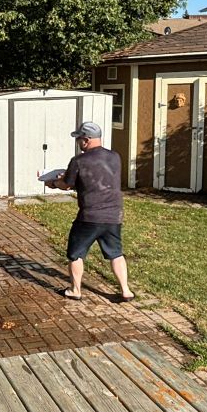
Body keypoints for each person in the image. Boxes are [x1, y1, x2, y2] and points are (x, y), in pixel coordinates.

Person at [46, 121, 135, 304]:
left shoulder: (79, 160)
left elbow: (67, 184)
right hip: (114, 215)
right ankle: (126, 291)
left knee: (75, 253)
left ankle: (75, 290)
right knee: (116, 253)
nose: (79, 142)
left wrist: (53, 183)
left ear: (86, 140)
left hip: (90, 217)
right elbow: (99, 178)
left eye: (79, 138)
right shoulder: (115, 157)